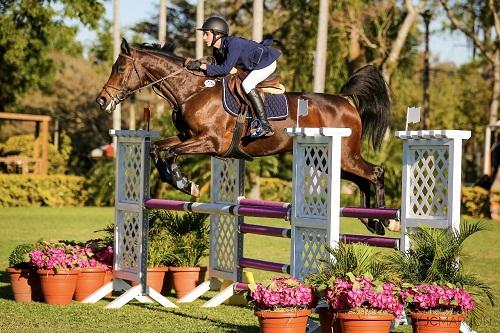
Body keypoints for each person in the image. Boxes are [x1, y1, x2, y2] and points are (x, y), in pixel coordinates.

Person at [187, 16, 281, 138]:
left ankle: (265, 125)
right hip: (252, 66)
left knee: (247, 84)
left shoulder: (233, 43)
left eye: (207, 34)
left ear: (217, 34)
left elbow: (225, 69)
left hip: (267, 62)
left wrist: (202, 67)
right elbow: (219, 68)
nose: (204, 37)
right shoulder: (218, 49)